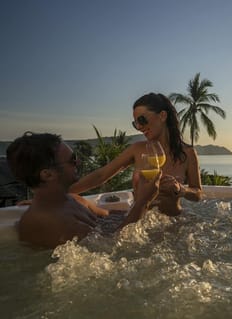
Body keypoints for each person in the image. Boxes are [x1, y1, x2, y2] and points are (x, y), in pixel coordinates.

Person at [6, 132, 160, 249]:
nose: (78, 162)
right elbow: (114, 247)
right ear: (48, 174)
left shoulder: (73, 199)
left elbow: (109, 217)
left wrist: (145, 201)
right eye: (72, 160)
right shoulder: (45, 222)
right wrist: (142, 202)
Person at [69, 93, 202, 216]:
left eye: (142, 120)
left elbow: (197, 193)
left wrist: (181, 190)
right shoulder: (137, 150)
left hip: (174, 223)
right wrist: (62, 193)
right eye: (135, 123)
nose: (139, 127)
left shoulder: (188, 153)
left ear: (162, 115)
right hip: (140, 225)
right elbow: (101, 175)